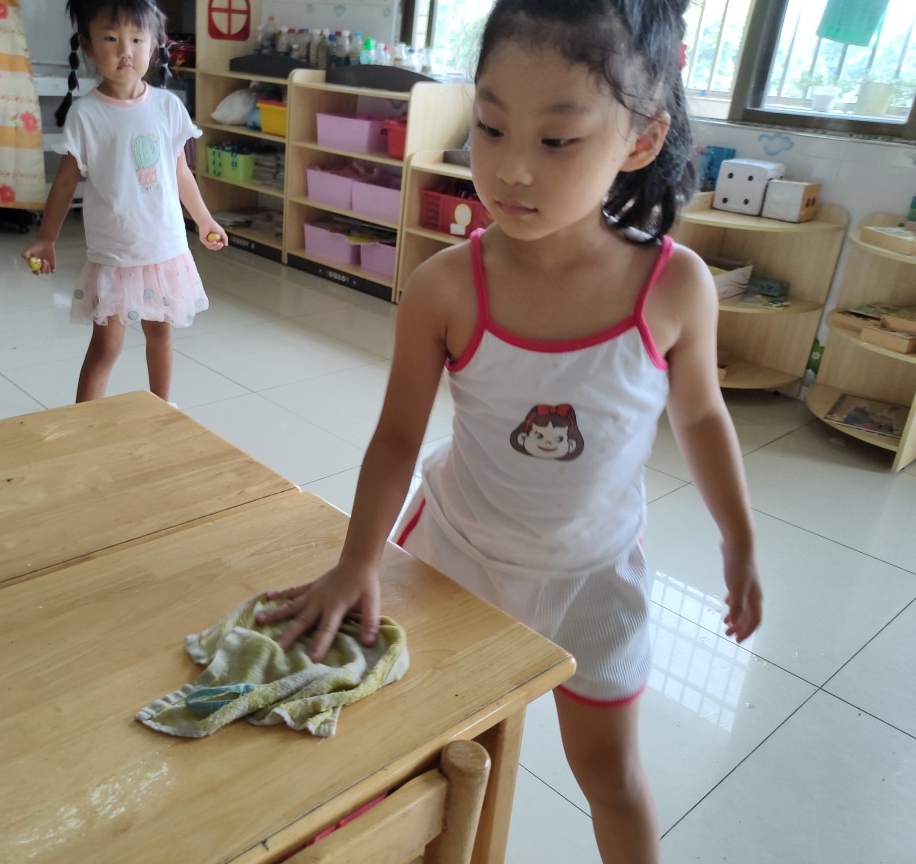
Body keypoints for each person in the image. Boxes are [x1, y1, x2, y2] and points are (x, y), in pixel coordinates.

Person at [257, 1, 763, 861]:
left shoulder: (675, 288)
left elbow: (703, 415)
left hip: (594, 580)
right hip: (455, 561)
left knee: (611, 777)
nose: (512, 170)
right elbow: (396, 439)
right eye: (490, 128)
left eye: (557, 140)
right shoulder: (447, 286)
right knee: (431, 758)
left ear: (641, 140)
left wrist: (739, 540)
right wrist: (358, 560)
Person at [22, 0, 225, 404]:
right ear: (87, 45)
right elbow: (65, 183)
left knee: (161, 333)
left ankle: (162, 410)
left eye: (136, 40)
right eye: (111, 39)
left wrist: (204, 220)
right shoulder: (86, 114)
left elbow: (180, 172)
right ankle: (85, 421)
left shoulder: (168, 106)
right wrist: (46, 238)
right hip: (115, 252)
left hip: (164, 246)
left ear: (155, 43)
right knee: (107, 345)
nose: (125, 51)